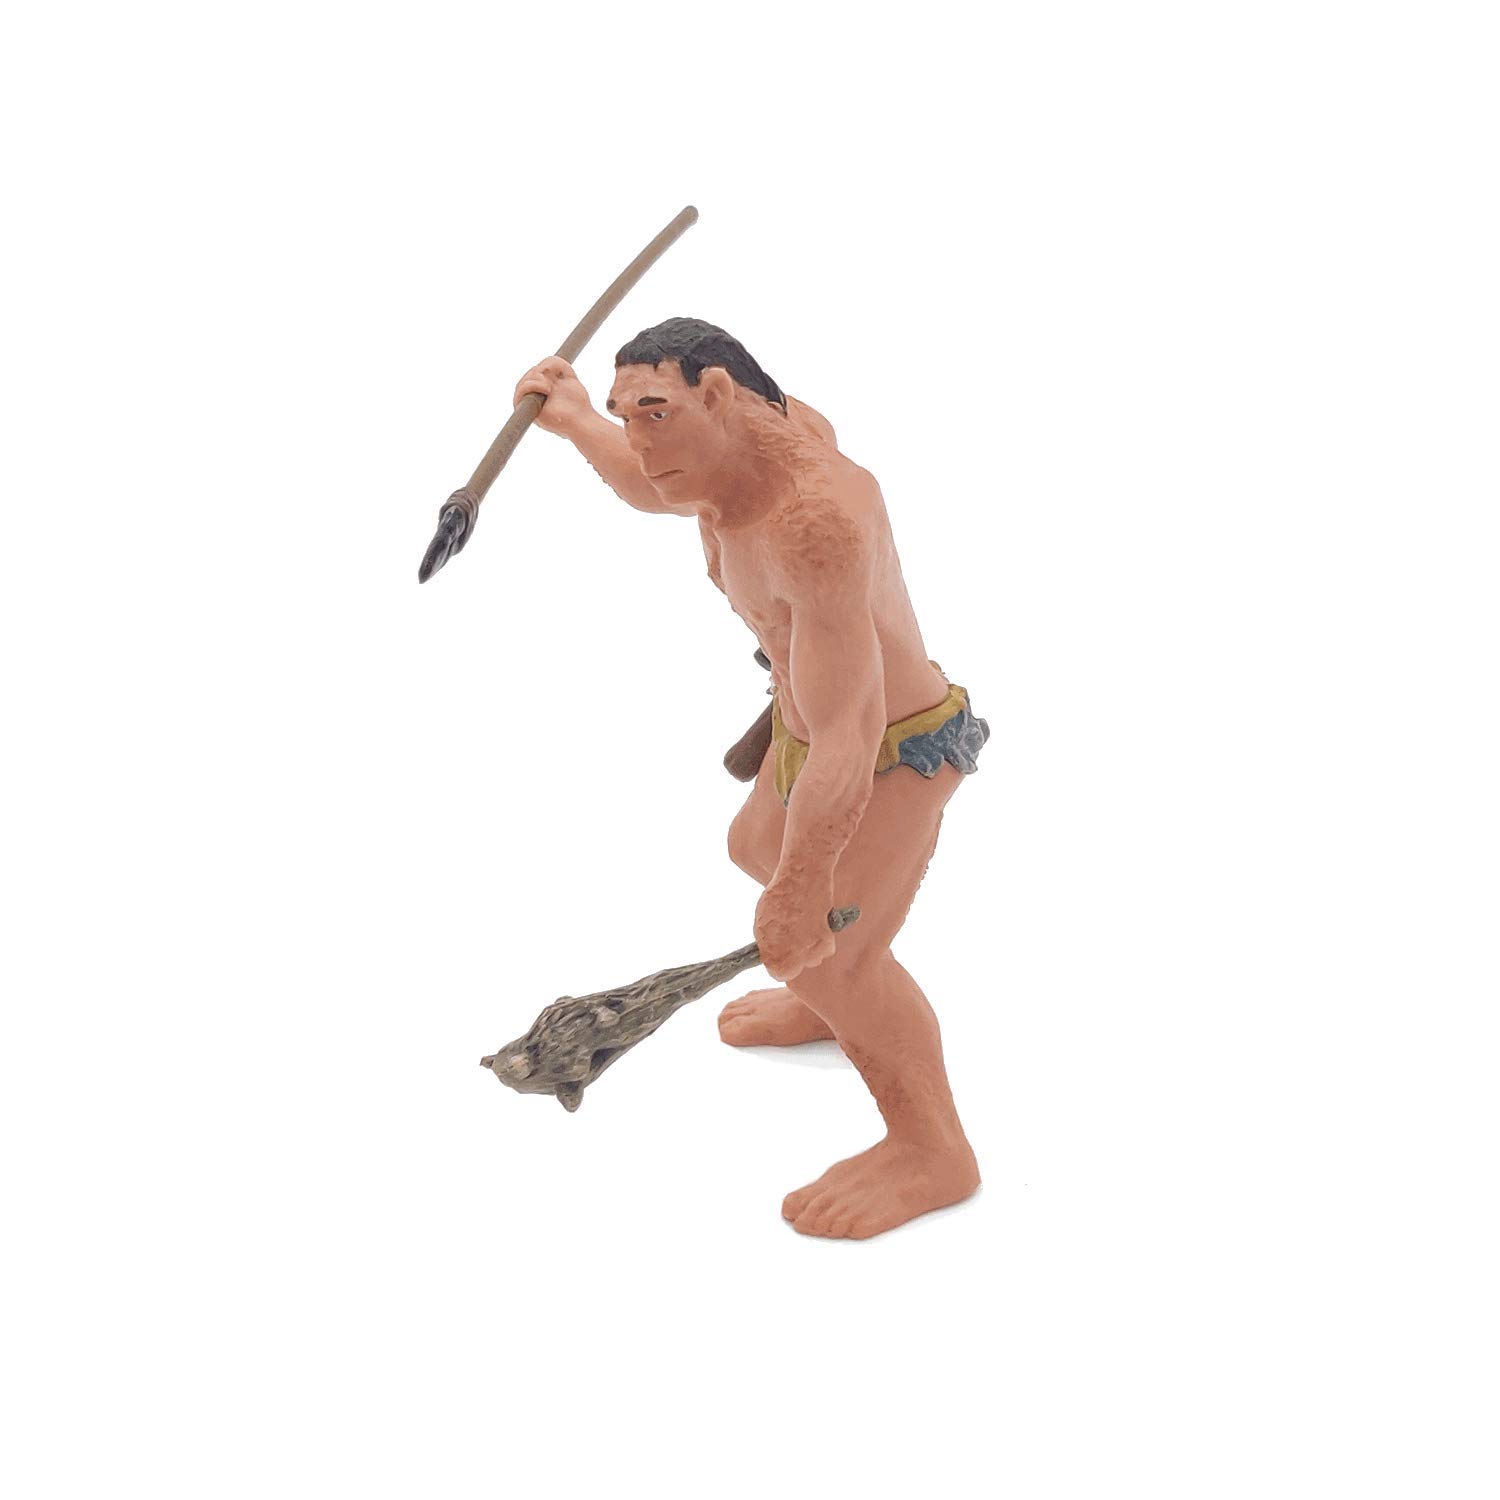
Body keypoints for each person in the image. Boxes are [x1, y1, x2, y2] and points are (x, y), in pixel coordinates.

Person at [514, 318, 989, 1239]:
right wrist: (573, 418)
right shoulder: (725, 460)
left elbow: (850, 731)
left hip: (893, 751)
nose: (640, 442)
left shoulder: (816, 521)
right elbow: (649, 484)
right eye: (627, 415)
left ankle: (932, 1147)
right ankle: (833, 1005)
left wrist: (805, 890)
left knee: (840, 953)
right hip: (806, 728)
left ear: (719, 395)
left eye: (655, 414)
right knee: (752, 852)